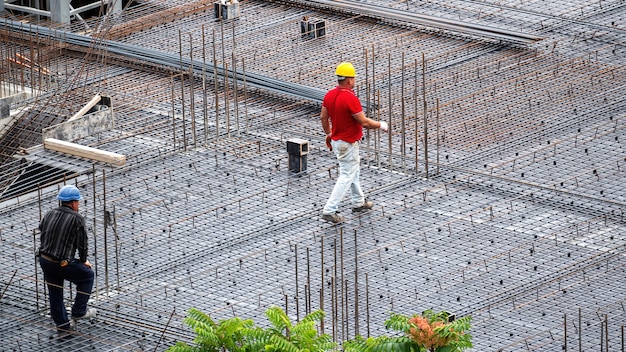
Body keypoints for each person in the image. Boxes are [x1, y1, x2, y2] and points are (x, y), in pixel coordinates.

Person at [320, 62, 388, 223]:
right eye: (353, 78)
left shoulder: (329, 94)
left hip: (338, 141)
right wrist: (380, 124)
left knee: (352, 171)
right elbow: (364, 122)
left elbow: (323, 117)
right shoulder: (350, 98)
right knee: (346, 175)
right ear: (349, 80)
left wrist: (329, 134)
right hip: (348, 143)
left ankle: (358, 202)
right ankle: (329, 210)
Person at [38, 185, 96, 336]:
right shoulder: (77, 218)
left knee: (55, 293)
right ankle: (78, 311)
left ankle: (63, 327)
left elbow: (41, 230)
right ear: (74, 202)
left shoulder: (50, 213)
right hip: (62, 263)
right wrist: (83, 260)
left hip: (45, 260)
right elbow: (82, 244)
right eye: (78, 202)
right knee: (87, 276)